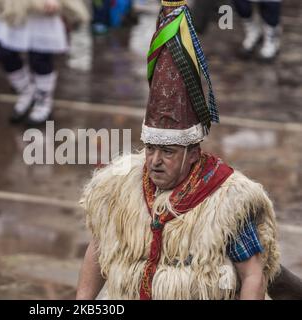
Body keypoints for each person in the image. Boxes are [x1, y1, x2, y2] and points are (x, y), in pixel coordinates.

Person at [76, 0, 280, 300]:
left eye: (168, 152)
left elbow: (252, 275)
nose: (155, 161)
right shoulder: (117, 186)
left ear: (193, 154)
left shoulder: (228, 199)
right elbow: (99, 248)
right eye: (150, 149)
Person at [0, 0, 69, 126]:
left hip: (40, 10)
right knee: (4, 52)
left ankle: (43, 101)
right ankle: (26, 91)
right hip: (8, 8)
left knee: (39, 56)